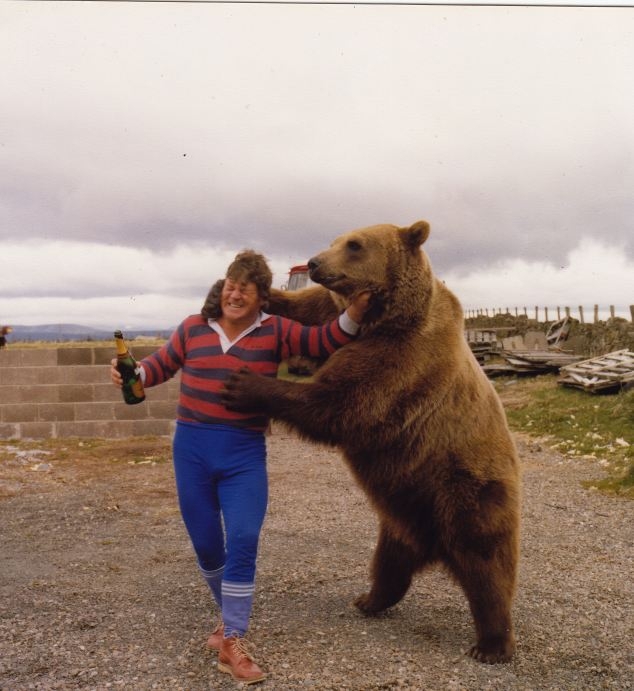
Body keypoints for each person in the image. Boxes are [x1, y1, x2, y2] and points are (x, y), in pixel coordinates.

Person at [110, 249, 369, 684]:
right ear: (223, 287)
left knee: (245, 538)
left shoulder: (277, 331)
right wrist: (129, 372)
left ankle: (232, 639)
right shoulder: (193, 327)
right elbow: (157, 367)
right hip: (191, 450)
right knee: (209, 547)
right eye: (232, 285)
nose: (236, 293)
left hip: (244, 453)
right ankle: (226, 622)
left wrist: (357, 312)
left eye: (246, 289)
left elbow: (324, 340)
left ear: (260, 297)